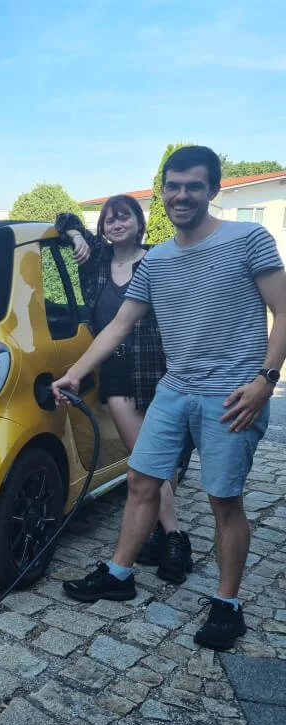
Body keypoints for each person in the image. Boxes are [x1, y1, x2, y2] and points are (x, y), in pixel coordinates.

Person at [53, 146, 286, 651]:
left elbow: (284, 312)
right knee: (140, 480)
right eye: (174, 186)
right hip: (174, 389)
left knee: (224, 500)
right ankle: (119, 574)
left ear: (213, 189)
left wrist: (266, 380)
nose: (182, 195)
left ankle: (228, 606)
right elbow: (118, 325)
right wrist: (74, 373)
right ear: (163, 191)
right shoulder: (156, 260)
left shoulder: (249, 238)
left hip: (232, 395)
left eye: (194, 186)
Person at [55, 197, 192, 584]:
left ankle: (167, 535)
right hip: (115, 375)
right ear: (101, 228)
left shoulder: (157, 258)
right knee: (145, 457)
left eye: (124, 217)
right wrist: (71, 233)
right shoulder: (96, 258)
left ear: (138, 222)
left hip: (155, 369)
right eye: (109, 219)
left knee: (159, 458)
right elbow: (63, 216)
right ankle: (174, 537)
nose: (116, 224)